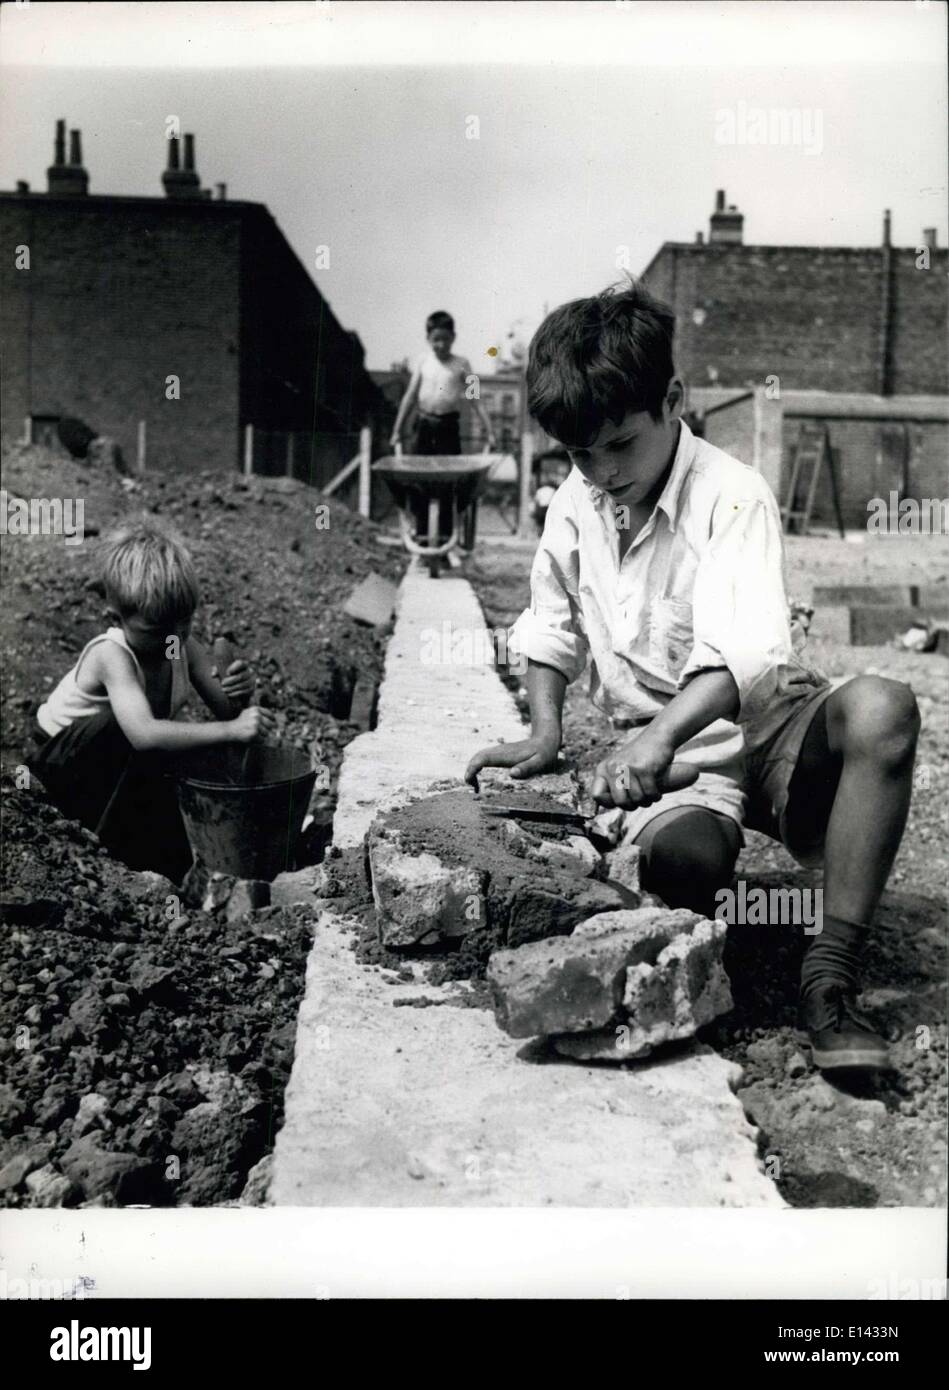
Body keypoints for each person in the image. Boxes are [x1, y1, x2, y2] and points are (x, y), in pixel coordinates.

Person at [465, 281, 920, 1074]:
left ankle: (826, 981)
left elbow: (745, 649)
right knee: (687, 867)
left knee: (883, 708)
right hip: (669, 760)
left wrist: (659, 738)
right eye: (579, 454)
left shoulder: (731, 493)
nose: (601, 472)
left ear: (671, 399)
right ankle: (725, 932)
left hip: (767, 728)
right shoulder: (576, 500)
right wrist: (544, 733)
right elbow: (549, 620)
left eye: (619, 445)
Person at [31, 519, 275, 882]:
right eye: (158, 630)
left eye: (184, 624)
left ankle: (175, 872)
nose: (173, 638)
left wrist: (240, 692)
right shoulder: (111, 655)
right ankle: (106, 859)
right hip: (61, 767)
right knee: (139, 737)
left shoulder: (180, 645)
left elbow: (228, 713)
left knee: (184, 752)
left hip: (122, 762)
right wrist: (230, 728)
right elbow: (143, 733)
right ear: (116, 618)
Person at [390, 311, 495, 542]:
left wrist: (489, 430)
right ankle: (421, 534)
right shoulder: (423, 362)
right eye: (436, 339)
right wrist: (397, 429)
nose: (441, 344)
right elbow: (409, 397)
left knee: (449, 482)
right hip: (424, 426)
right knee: (420, 481)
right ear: (428, 338)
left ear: (453, 337)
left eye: (445, 339)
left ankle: (446, 536)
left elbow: (476, 399)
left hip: (449, 428)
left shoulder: (462, 363)